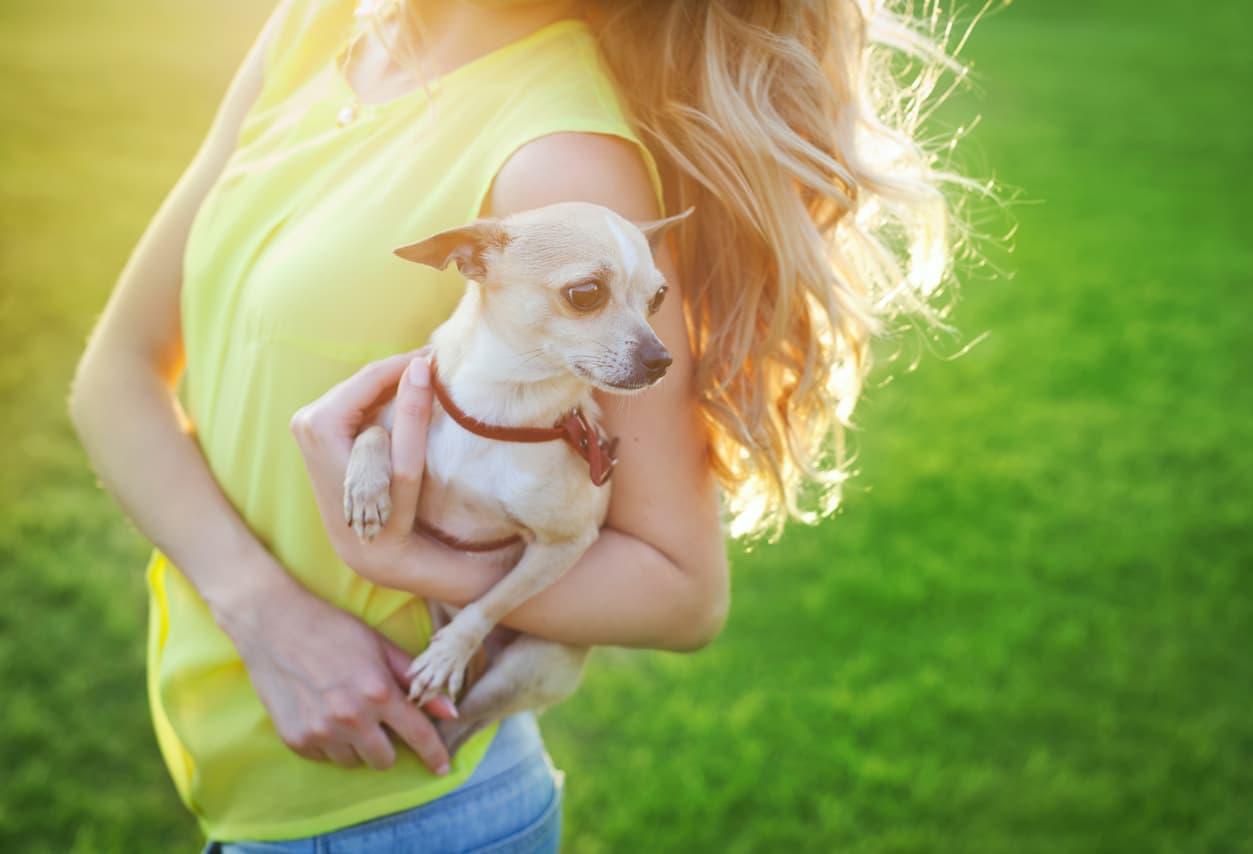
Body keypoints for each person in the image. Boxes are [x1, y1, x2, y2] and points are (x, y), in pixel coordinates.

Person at [70, 0, 973, 850]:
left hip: (403, 803)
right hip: (240, 769)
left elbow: (678, 585)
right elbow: (118, 375)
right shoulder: (319, 24)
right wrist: (264, 611)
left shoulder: (564, 162)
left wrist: (402, 562)